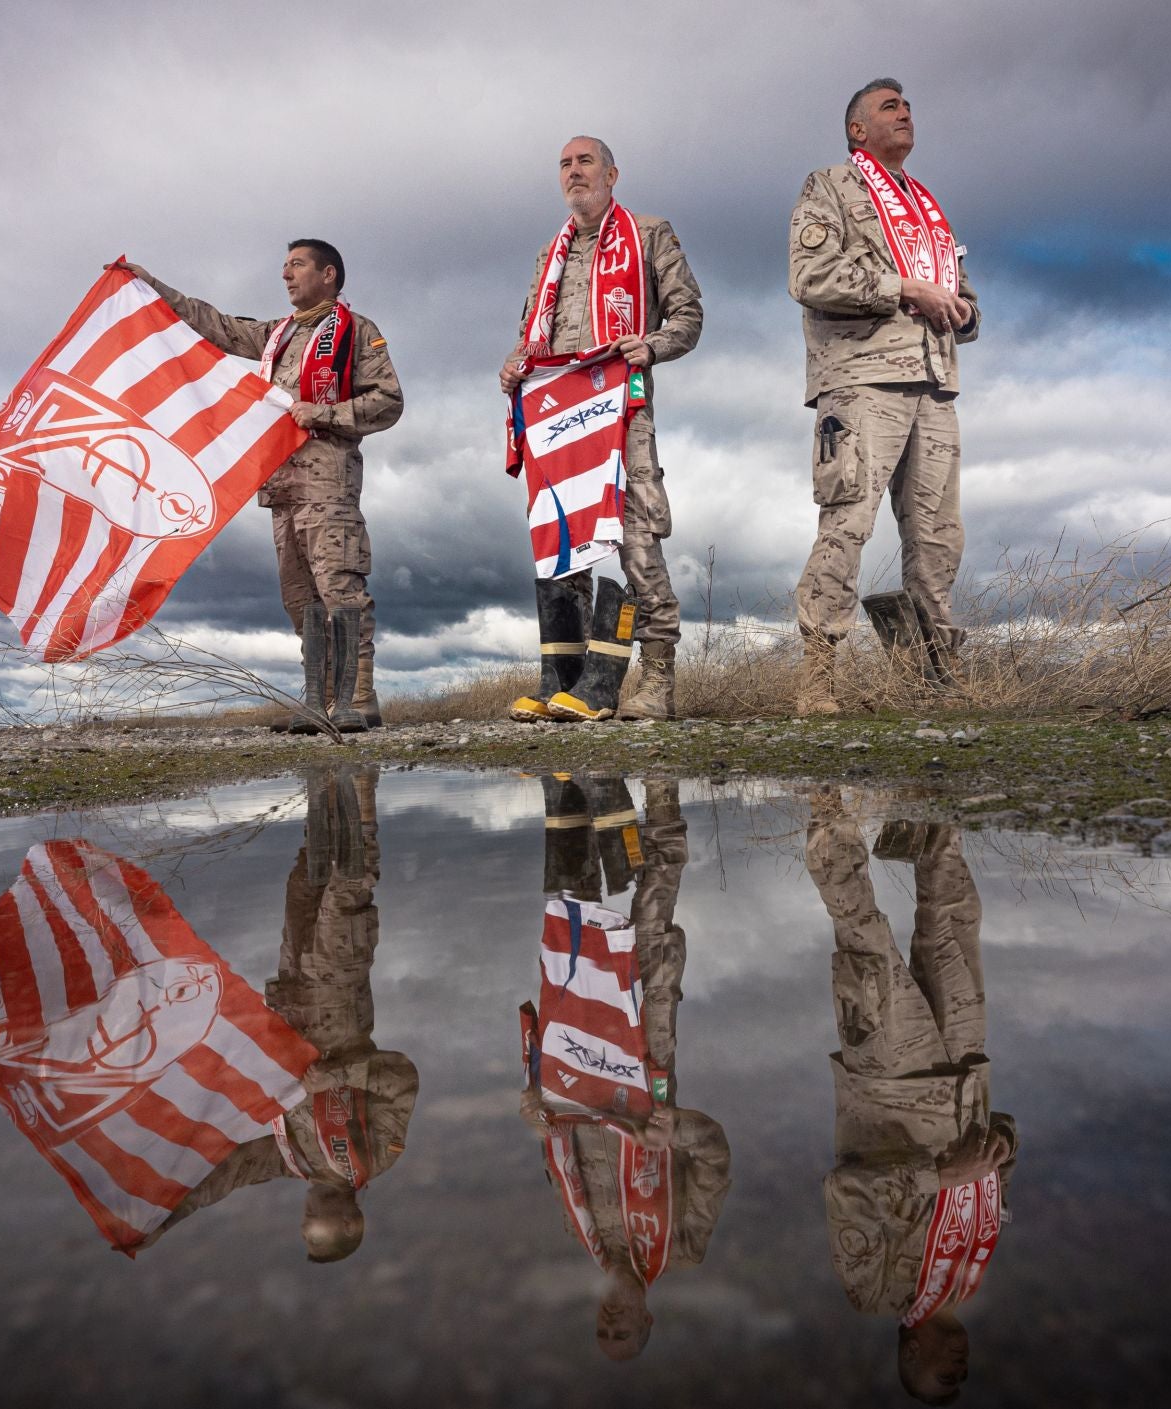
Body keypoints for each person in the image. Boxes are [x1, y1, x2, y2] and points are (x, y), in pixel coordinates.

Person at [108, 244, 403, 733]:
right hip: (282, 486)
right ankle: (320, 700)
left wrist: (324, 412)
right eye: (285, 266)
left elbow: (389, 401)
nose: (286, 274)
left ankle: (358, 697)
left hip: (328, 485)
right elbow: (217, 325)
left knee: (340, 588)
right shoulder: (277, 336)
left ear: (329, 274)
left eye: (297, 265)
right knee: (300, 598)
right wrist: (150, 286)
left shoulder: (356, 331)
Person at [139, 766, 417, 1259]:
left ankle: (322, 783)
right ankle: (362, 786)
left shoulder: (291, 1159)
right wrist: (336, 1077)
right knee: (346, 892)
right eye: (317, 1231)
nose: (306, 1221)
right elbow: (402, 1079)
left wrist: (167, 1215)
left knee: (305, 879)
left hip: (289, 997)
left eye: (304, 1230)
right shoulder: (376, 1156)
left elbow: (230, 1174)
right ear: (350, 1223)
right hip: (338, 998)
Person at [805, 795, 1017, 1404]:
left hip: (889, 1080)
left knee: (864, 936)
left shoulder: (872, 1292)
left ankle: (826, 795)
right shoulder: (970, 1276)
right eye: (965, 1377)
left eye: (946, 1376)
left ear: (911, 1355)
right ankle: (926, 789)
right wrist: (1005, 1146)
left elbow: (846, 1190)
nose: (961, 1367)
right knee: (953, 918)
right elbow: (998, 1157)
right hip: (964, 1074)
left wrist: (939, 1176)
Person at [518, 776, 731, 1359]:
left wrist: (533, 1110)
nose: (611, 1321)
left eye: (602, 1330)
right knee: (652, 919)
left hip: (576, 1046)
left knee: (573, 917)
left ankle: (576, 785)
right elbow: (715, 1156)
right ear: (647, 1321)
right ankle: (662, 787)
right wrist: (676, 1130)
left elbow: (553, 1132)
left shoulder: (578, 1229)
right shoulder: (682, 1247)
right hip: (645, 1057)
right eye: (624, 1331)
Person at [788, 79, 982, 714]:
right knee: (848, 522)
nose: (905, 114)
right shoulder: (830, 187)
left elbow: (962, 295)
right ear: (857, 130)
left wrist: (963, 311)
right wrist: (906, 289)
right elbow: (810, 276)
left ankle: (934, 678)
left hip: (934, 383)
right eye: (889, 107)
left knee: (938, 537)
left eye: (908, 107)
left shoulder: (926, 206)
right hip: (861, 380)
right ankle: (819, 679)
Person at [500, 137, 704, 722]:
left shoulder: (649, 234)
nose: (574, 171)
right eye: (565, 164)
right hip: (555, 419)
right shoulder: (550, 254)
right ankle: (575, 684)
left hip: (620, 412)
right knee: (562, 543)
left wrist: (653, 345)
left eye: (585, 161)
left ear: (612, 174)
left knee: (638, 538)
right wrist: (514, 366)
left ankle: (657, 682)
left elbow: (689, 315)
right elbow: (530, 335)